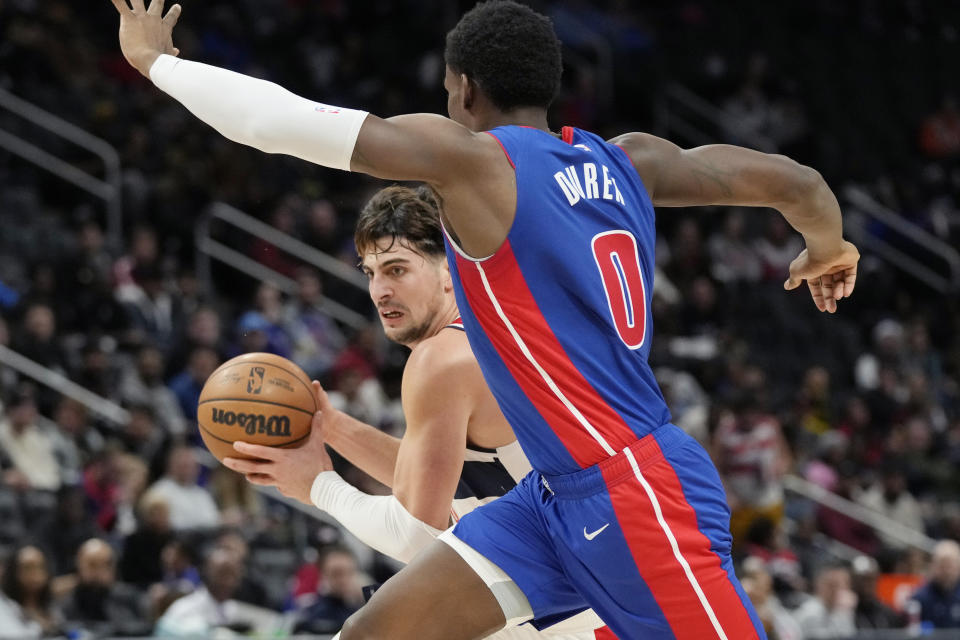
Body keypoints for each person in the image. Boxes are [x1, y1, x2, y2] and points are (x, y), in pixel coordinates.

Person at [109, 1, 859, 638]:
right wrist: (827, 247)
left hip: (638, 489)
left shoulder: (475, 163)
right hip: (554, 497)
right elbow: (799, 182)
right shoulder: (631, 160)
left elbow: (282, 123)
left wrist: (156, 63)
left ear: (462, 90)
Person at [225, 185, 606, 638]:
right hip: (585, 585)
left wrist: (316, 485)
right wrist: (331, 427)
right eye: (370, 273)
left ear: (450, 269)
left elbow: (415, 535)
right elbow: (444, 476)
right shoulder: (486, 334)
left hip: (565, 597)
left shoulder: (441, 359)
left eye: (397, 269)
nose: (379, 291)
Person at [910, 539, 960, 629]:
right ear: (933, 566)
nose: (946, 571)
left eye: (950, 566)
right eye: (942, 566)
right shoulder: (919, 598)